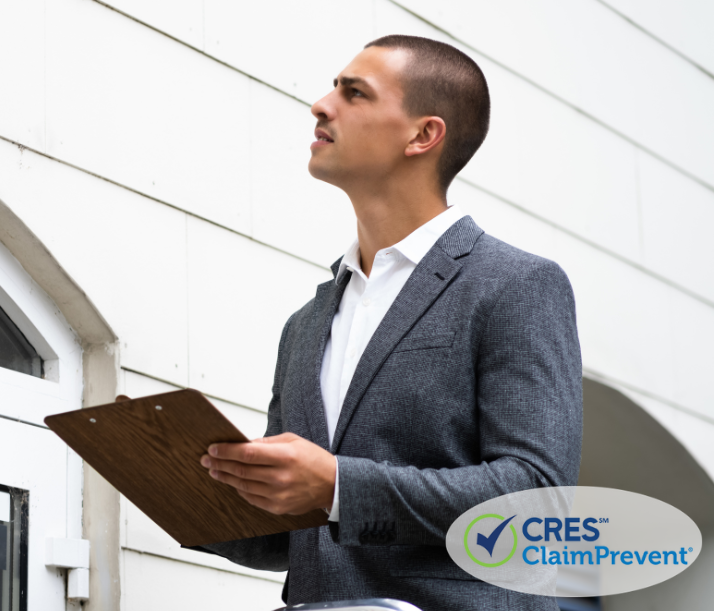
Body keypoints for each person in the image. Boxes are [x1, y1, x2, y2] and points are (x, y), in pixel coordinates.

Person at [197, 35, 583, 610]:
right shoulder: (305, 325)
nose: (321, 105)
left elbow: (538, 501)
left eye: (354, 93)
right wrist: (185, 488)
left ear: (423, 135)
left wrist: (338, 486)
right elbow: (295, 533)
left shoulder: (517, 285)